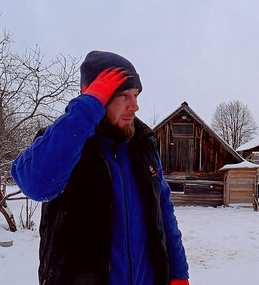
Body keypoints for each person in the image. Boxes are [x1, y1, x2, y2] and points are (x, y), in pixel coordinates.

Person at [11, 51, 189, 285]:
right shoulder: (65, 143)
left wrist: (178, 272)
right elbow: (36, 185)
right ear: (94, 96)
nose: (134, 106)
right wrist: (87, 107)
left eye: (135, 95)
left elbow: (163, 211)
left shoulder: (143, 145)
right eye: (123, 95)